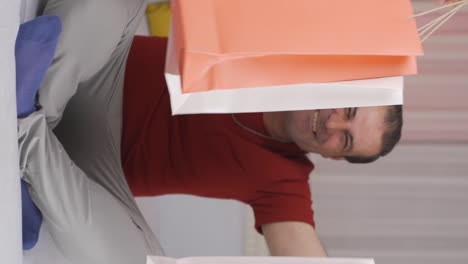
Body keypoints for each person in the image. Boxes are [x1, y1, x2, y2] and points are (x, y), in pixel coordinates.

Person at [18, 0, 402, 263]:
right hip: (102, 67)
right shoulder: (272, 55)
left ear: (334, 157)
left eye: (346, 139)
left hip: (89, 165)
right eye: (349, 108)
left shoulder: (286, 182)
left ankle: (28, 112)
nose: (333, 123)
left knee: (137, 260)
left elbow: (302, 254)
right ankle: (30, 128)